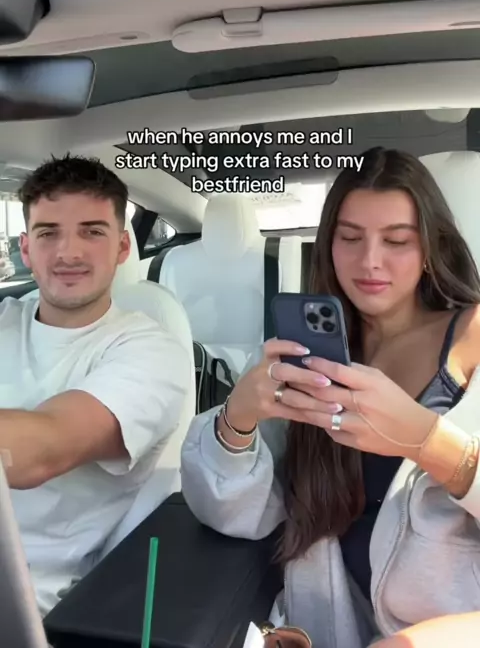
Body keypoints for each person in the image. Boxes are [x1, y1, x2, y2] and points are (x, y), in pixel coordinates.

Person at [180, 147, 480, 648]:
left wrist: (427, 441)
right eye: (350, 238)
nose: (370, 260)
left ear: (431, 247)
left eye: (397, 240)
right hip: (323, 627)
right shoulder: (307, 354)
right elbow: (235, 514)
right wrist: (238, 417)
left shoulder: (472, 336)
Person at [0, 154, 191, 616]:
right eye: (48, 233)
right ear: (26, 249)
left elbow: (38, 451)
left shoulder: (151, 351)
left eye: (91, 232)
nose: (68, 253)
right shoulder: (6, 318)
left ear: (123, 247)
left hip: (23, 598)